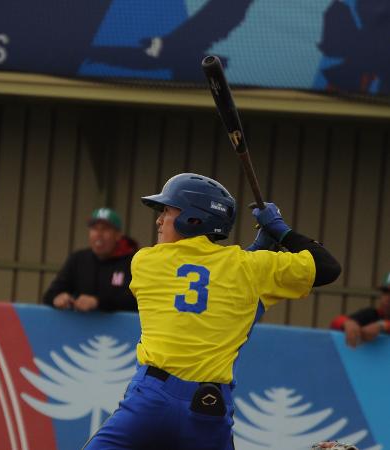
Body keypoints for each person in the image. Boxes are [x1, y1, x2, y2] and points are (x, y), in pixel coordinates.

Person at [81, 173, 341, 450]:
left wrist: (256, 249)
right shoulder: (249, 267)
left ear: (193, 219)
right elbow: (327, 268)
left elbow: (208, 276)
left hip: (150, 399)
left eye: (167, 211)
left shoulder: (145, 261)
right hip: (208, 408)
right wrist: (280, 231)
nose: (159, 220)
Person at [42, 207, 138, 312]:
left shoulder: (132, 262)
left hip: (121, 328)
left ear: (118, 235)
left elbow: (134, 299)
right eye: (94, 229)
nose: (98, 234)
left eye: (105, 229)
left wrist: (97, 302)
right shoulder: (78, 260)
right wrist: (57, 298)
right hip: (80, 327)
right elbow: (49, 294)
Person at [330, 271, 390, 348]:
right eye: (385, 292)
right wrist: (347, 323)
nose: (388, 298)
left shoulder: (380, 323)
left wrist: (383, 326)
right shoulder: (372, 314)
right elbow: (336, 322)